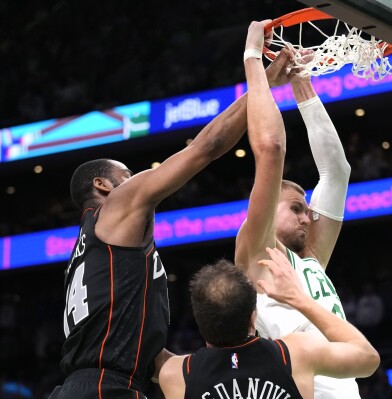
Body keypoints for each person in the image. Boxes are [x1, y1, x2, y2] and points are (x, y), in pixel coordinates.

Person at [49, 47, 294, 399]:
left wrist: (216, 368)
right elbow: (205, 147)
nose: (137, 181)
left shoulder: (90, 254)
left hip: (90, 386)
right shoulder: (117, 207)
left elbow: (139, 353)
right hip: (106, 389)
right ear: (103, 185)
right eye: (128, 175)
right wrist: (262, 82)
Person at [235, 19, 357, 399]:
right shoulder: (256, 253)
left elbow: (336, 172)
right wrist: (253, 58)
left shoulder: (311, 259)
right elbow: (269, 148)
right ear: (270, 211)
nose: (308, 217)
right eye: (297, 208)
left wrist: (303, 86)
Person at [158, 247, 380, 399]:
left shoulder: (176, 374)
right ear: (253, 317)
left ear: (200, 322)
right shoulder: (296, 353)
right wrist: (299, 299)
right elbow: (368, 358)